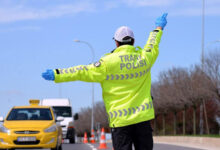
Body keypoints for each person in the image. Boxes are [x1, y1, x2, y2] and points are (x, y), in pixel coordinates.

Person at [42, 13, 168, 150]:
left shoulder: (107, 63)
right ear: (133, 41)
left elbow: (81, 71)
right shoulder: (144, 59)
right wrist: (158, 27)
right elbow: (152, 43)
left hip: (121, 123)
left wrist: (58, 74)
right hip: (143, 120)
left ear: (116, 42)